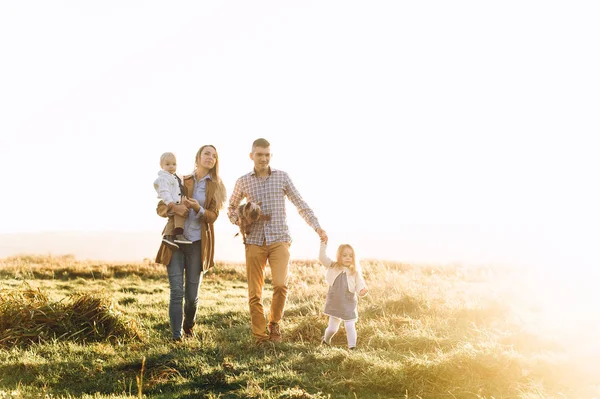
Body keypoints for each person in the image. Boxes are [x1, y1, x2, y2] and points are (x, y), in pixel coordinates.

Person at [228, 138, 328, 344]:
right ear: (251, 156)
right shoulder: (243, 181)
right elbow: (230, 207)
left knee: (281, 285)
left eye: (267, 155)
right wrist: (239, 219)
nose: (263, 158)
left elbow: (300, 203)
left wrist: (317, 226)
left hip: (279, 238)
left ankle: (274, 324)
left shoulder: (282, 177)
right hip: (254, 241)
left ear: (270, 156)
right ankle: (260, 336)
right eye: (259, 155)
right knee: (255, 292)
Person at [155, 145, 227, 341]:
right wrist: (174, 209)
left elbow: (213, 216)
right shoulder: (179, 179)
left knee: (192, 296)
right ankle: (176, 337)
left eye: (214, 155)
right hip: (175, 241)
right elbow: (160, 207)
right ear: (198, 157)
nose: (210, 157)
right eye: (206, 153)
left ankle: (188, 328)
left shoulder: (217, 185)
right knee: (176, 291)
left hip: (197, 243)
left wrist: (199, 209)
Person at [318, 239, 368, 350]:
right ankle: (326, 340)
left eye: (350, 256)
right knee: (332, 329)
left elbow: (360, 285)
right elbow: (322, 258)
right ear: (339, 256)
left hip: (348, 304)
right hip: (335, 303)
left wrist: (362, 291)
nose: (348, 258)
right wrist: (323, 244)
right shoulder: (333, 266)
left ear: (353, 258)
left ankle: (352, 347)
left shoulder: (355, 272)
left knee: (350, 325)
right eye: (344, 255)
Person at [153, 152, 192, 248]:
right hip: (171, 202)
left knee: (173, 219)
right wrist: (170, 203)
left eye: (174, 164)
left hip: (176, 201)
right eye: (167, 164)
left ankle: (168, 236)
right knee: (178, 214)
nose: (171, 167)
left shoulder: (174, 176)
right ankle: (178, 234)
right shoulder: (163, 178)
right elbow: (164, 191)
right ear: (161, 165)